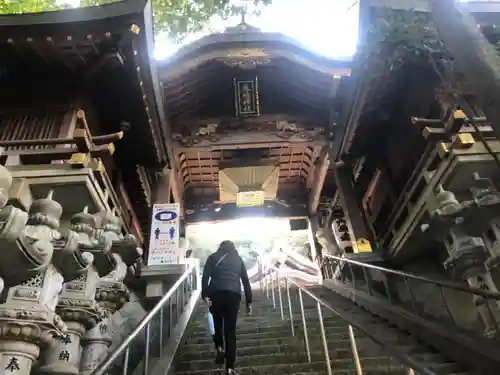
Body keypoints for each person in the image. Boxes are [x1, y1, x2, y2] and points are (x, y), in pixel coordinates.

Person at [201, 240, 252, 374]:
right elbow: (245, 281)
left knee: (217, 323)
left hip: (215, 294)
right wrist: (249, 302)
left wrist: (205, 295)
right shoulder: (238, 260)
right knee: (230, 331)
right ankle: (230, 367)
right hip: (233, 295)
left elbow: (205, 277)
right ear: (233, 248)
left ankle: (219, 347)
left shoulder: (212, 257)